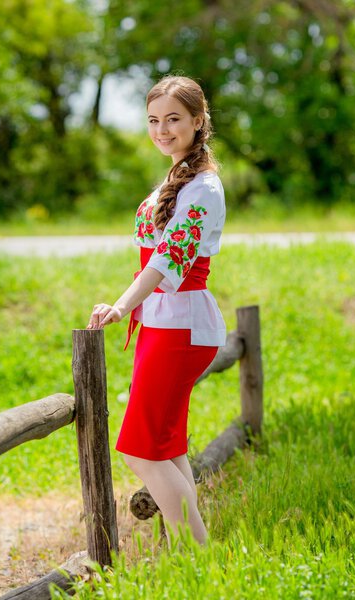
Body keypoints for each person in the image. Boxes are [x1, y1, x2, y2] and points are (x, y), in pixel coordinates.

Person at [86, 74, 226, 548]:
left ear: (197, 121)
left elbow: (168, 261)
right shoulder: (174, 176)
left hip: (181, 325)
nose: (162, 129)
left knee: (140, 451)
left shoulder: (204, 188)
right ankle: (192, 559)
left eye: (173, 119)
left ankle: (200, 556)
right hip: (162, 323)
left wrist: (121, 306)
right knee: (165, 446)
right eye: (153, 120)